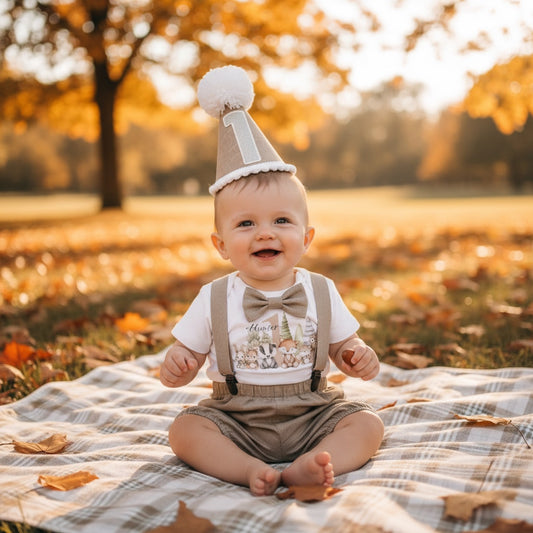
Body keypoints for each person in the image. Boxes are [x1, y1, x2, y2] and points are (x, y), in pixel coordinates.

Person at [160, 66, 384, 496]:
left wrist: (355, 354)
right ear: (221, 244)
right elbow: (185, 352)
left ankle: (311, 466)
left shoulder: (322, 290)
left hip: (313, 411)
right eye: (246, 223)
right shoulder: (214, 297)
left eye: (282, 220)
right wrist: (178, 366)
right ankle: (246, 469)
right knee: (184, 430)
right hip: (236, 417)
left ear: (307, 237)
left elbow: (341, 346)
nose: (266, 233)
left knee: (367, 424)